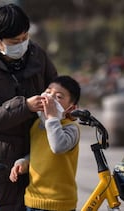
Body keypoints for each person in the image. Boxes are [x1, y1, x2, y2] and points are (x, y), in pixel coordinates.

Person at [0, 3, 58, 211]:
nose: (22, 44)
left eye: (25, 37)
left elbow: (56, 83)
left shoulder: (37, 54)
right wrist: (24, 106)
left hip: (38, 151)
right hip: (3, 160)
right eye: (15, 41)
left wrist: (65, 100)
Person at [9, 75, 81, 211]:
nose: (50, 98)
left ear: (71, 108)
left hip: (59, 202)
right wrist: (23, 162)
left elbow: (58, 147)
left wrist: (52, 118)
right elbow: (37, 153)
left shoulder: (71, 128)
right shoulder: (37, 125)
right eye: (48, 92)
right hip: (33, 199)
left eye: (59, 97)